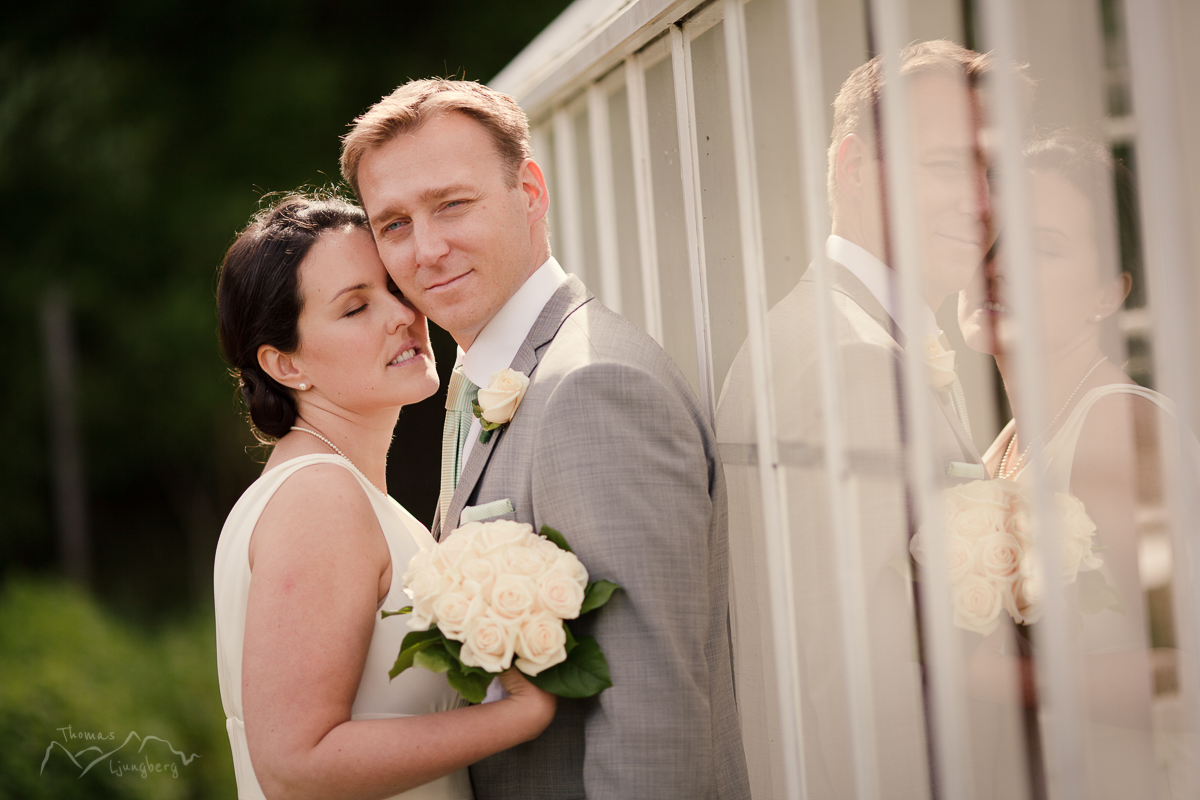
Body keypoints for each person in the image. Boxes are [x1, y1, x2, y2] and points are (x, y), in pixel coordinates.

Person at [341, 79, 750, 800]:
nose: (427, 249)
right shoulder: (481, 379)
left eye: (452, 204)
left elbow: (651, 717)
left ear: (529, 191)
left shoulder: (592, 386)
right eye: (395, 224)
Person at [715, 40, 999, 799]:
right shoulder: (852, 355)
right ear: (851, 165)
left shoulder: (834, 330)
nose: (979, 200)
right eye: (945, 165)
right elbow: (857, 676)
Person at [212, 194, 557, 800]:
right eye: (355, 308)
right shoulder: (319, 497)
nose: (401, 314)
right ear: (286, 364)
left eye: (394, 288)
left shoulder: (335, 490)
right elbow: (295, 765)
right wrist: (520, 714)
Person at [958, 132, 1196, 798]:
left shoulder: (1117, 424)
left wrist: (978, 674)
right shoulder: (1002, 445)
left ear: (1108, 293)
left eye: (1042, 246)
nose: (996, 266)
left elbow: (1183, 668)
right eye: (991, 236)